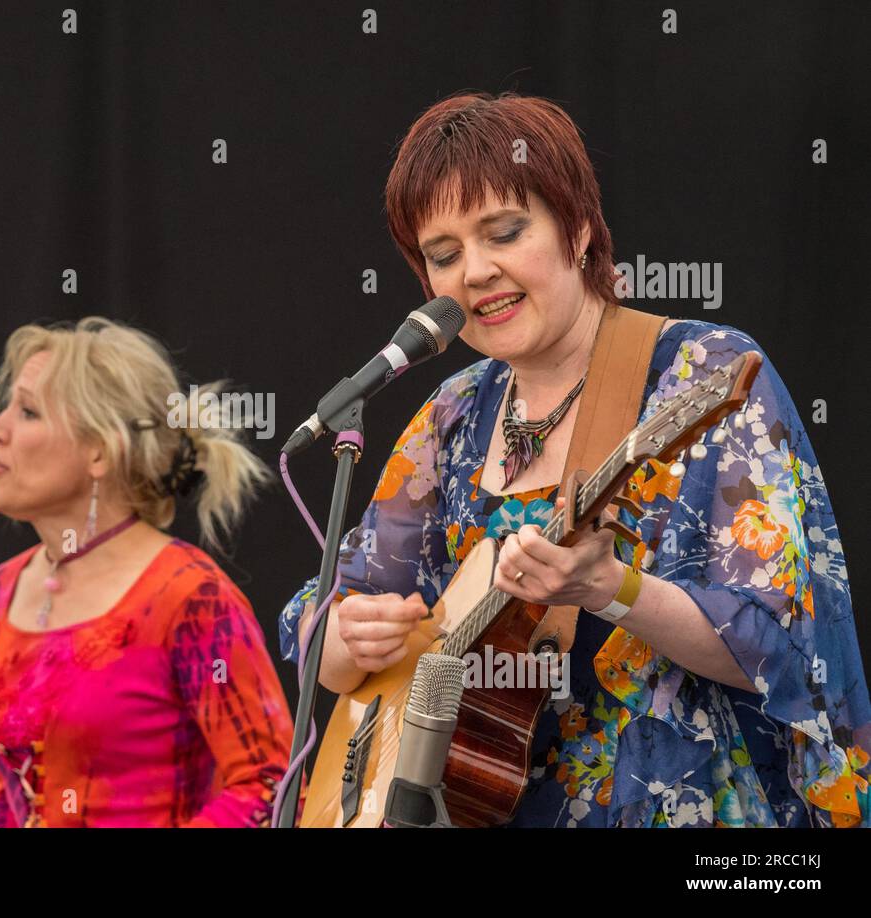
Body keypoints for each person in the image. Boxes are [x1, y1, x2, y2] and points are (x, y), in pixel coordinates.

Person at [279, 92, 870, 827]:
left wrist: (613, 587)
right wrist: (345, 637)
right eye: (444, 254)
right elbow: (327, 622)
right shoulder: (453, 413)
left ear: (580, 227)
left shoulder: (699, 373)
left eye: (504, 232)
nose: (476, 271)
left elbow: (779, 648)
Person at [0, 316, 292, 827]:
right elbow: (3, 781)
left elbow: (269, 784)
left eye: (27, 411)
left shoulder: (189, 595)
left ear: (100, 450)